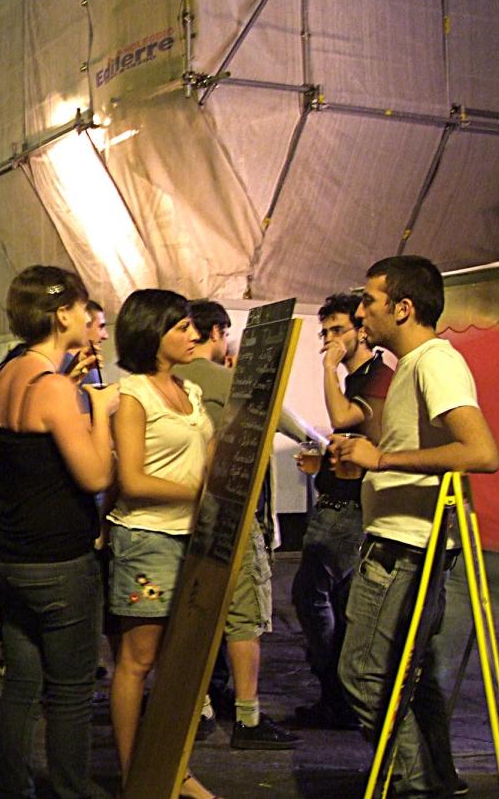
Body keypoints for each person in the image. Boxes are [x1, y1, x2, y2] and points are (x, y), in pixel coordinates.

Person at [333, 255, 499, 798]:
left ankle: (417, 784)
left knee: (364, 676)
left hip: (407, 550)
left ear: (402, 308)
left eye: (369, 301)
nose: (361, 312)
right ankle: (436, 780)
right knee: (411, 679)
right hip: (402, 544)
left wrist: (382, 460)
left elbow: (481, 451)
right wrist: (366, 462)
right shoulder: (413, 364)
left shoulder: (434, 361)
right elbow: (418, 451)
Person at [0, 266, 117, 798]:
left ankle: (14, 788)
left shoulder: (7, 374)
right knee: (70, 692)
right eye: (83, 309)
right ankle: (69, 790)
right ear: (62, 315)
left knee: (21, 683)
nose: (89, 318)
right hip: (58, 563)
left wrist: (72, 389)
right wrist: (97, 410)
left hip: (7, 557)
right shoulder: (56, 389)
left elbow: (30, 451)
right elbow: (96, 476)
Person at [173, 300, 302, 750]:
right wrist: (323, 443)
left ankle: (200, 708)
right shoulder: (219, 378)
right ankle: (248, 718)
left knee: (195, 613)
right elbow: (285, 420)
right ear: (216, 332)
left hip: (183, 516)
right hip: (231, 511)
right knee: (243, 615)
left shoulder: (167, 381)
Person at [105, 289, 215, 799]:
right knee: (138, 660)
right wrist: (202, 494)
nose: (194, 335)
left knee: (180, 665)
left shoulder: (190, 391)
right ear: (152, 332)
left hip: (193, 539)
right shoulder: (134, 394)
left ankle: (173, 770)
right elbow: (131, 479)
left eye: (192, 325)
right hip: (148, 536)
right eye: (181, 327)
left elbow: (205, 457)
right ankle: (136, 776)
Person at [291, 292, 392, 728]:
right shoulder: (359, 378)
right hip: (341, 502)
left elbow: (343, 417)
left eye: (338, 330)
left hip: (348, 510)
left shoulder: (375, 377)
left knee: (309, 594)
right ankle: (342, 696)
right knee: (338, 599)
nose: (329, 340)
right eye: (325, 333)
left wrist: (328, 367)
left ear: (361, 331)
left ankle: (338, 692)